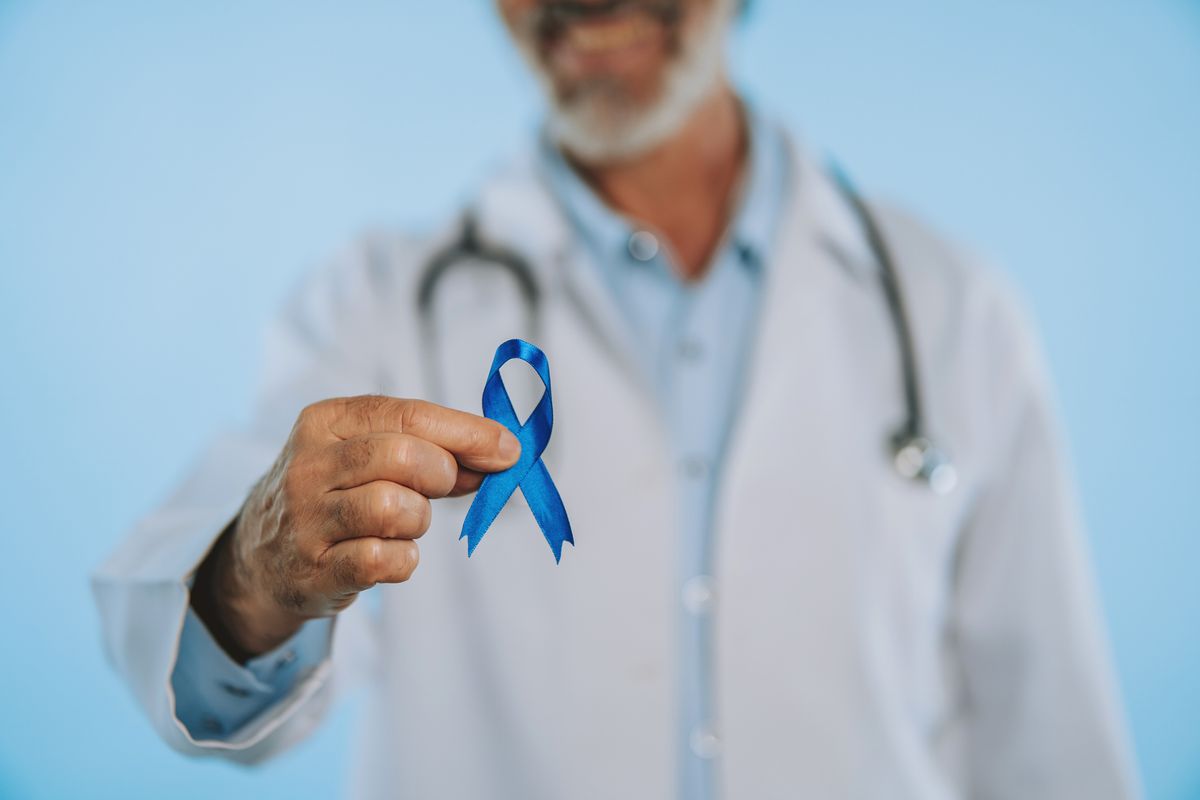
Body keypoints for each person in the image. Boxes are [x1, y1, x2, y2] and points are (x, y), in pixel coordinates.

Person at [92, 1, 1141, 798]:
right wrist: (258, 574)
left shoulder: (953, 309)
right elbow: (202, 665)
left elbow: (1050, 744)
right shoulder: (377, 306)